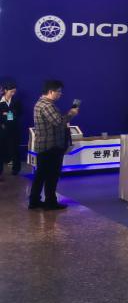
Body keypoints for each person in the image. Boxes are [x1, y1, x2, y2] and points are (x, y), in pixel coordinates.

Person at [29, 79, 78, 210]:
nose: (60, 94)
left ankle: (34, 201)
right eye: (59, 91)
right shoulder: (46, 105)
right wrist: (71, 114)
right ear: (51, 91)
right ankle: (50, 202)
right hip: (50, 147)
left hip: (46, 146)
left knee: (41, 175)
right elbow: (58, 121)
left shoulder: (42, 103)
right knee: (51, 176)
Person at [0, 80, 22, 178]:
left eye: (14, 92)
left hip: (13, 130)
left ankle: (16, 169)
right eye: (11, 91)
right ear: (5, 90)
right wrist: (8, 114)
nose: (13, 93)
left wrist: (7, 114)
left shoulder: (16, 102)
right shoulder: (0, 101)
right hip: (2, 130)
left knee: (14, 150)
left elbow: (19, 113)